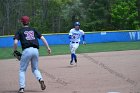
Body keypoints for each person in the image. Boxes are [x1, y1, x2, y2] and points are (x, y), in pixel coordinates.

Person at [13, 16, 51, 93]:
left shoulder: (20, 31)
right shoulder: (33, 29)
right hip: (36, 50)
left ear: (22, 22)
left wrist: (15, 50)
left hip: (27, 50)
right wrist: (48, 48)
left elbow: (16, 42)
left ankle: (22, 88)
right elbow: (43, 38)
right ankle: (41, 79)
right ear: (29, 22)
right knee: (35, 69)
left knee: (22, 70)